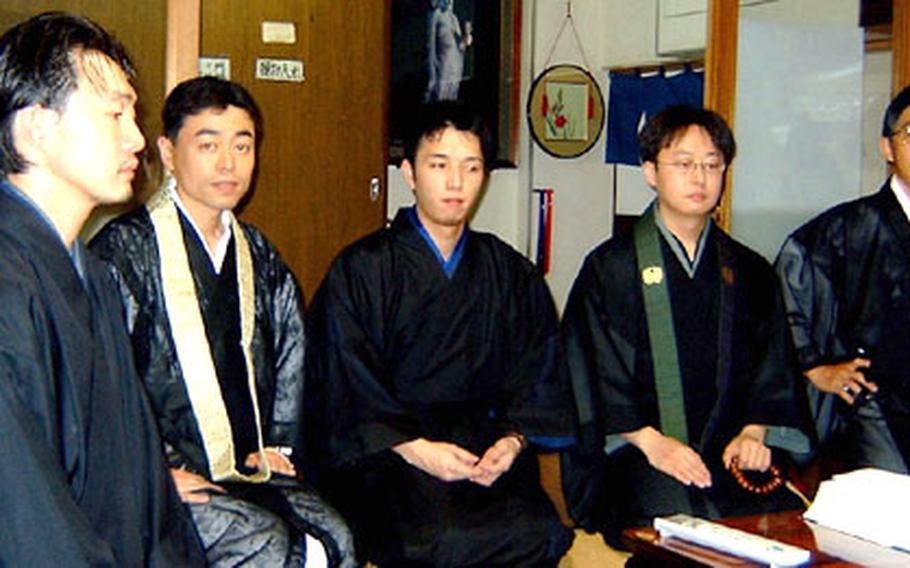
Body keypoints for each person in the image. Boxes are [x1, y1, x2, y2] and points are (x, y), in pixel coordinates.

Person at [90, 76, 355, 567]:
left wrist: (277, 444)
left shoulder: (258, 254)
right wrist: (153, 471)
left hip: (247, 465)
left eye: (243, 145)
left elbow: (291, 355)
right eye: (208, 144)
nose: (228, 163)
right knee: (262, 543)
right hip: (157, 475)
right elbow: (102, 386)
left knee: (336, 537)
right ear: (168, 152)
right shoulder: (122, 253)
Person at [304, 101, 575, 567]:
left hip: (481, 449)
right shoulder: (363, 269)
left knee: (540, 533)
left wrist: (512, 442)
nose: (455, 183)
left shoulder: (509, 272)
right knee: (441, 543)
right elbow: (340, 381)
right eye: (439, 165)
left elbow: (538, 373)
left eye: (471, 167)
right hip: (391, 454)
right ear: (409, 173)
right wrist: (415, 449)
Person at [0, 12, 204, 566]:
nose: (137, 137)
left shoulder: (91, 274)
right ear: (37, 128)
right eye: (114, 113)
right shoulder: (8, 284)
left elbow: (140, 475)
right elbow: (24, 517)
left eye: (133, 114)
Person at [561, 105, 811, 545]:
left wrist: (755, 431)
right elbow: (590, 375)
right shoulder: (610, 269)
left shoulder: (751, 271)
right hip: (637, 456)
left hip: (729, 456)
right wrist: (649, 441)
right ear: (650, 173)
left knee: (788, 532)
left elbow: (773, 369)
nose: (700, 177)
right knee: (689, 534)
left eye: (712, 165)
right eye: (683, 164)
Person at [775, 86, 910, 475]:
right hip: (875, 411)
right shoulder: (845, 229)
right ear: (887, 147)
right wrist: (815, 367)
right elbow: (786, 295)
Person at [425, 0, 471, 102]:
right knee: (440, 96)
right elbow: (431, 45)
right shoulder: (435, 15)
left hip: (456, 66)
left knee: (453, 95)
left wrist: (467, 34)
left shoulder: (454, 18)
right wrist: (432, 71)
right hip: (443, 64)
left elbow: (461, 46)